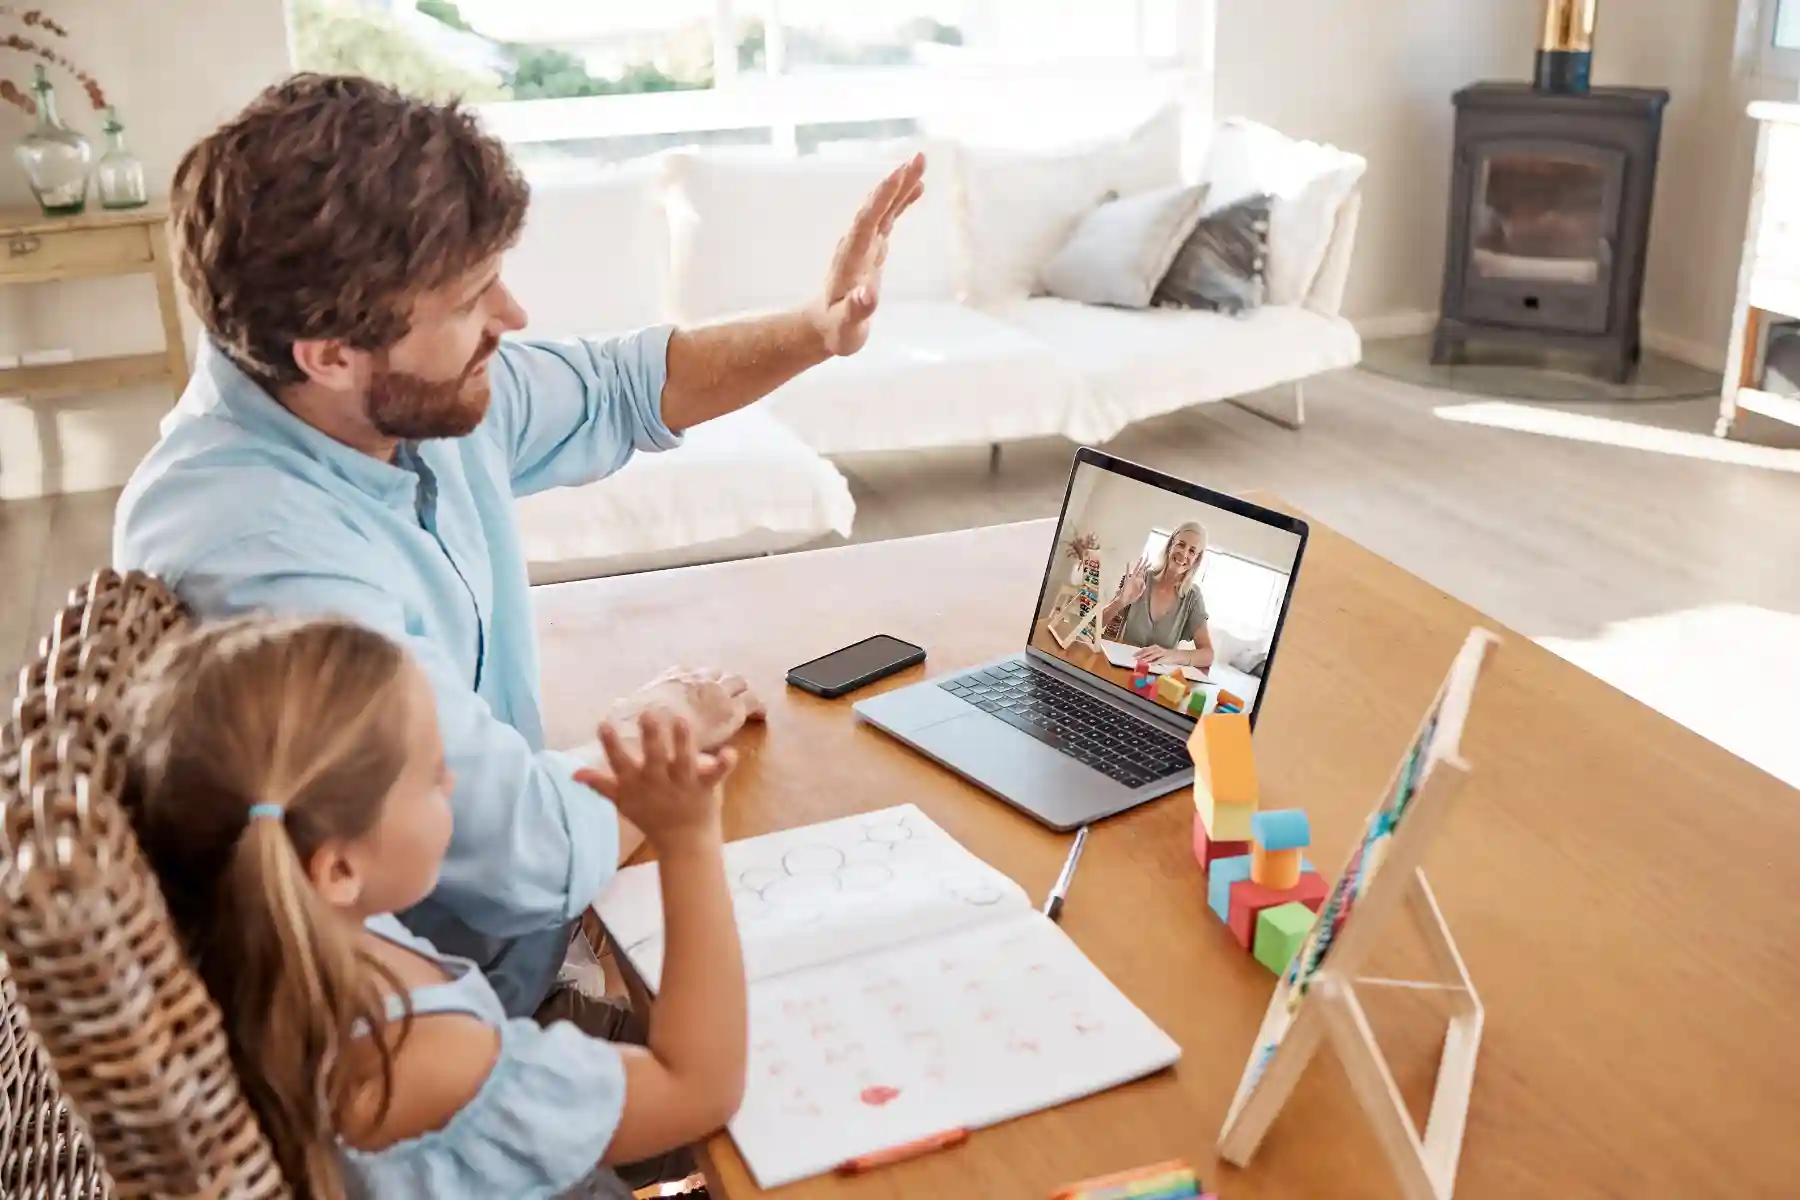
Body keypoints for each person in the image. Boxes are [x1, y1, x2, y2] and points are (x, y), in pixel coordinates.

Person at [113, 73, 925, 1019]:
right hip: (462, 1029)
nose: (513, 316)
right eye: (470, 298)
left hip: (544, 945)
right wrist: (661, 720)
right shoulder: (260, 554)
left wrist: (816, 330)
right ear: (330, 353)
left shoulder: (378, 398)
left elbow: (621, 386)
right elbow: (527, 855)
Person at [122, 614, 746, 1200]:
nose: (451, 783)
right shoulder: (422, 1061)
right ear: (339, 870)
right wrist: (688, 841)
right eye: (430, 774)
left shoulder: (283, 946)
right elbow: (699, 1091)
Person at [1100, 521, 1215, 671]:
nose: (1184, 554)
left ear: (1196, 560)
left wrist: (1171, 655)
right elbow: (1094, 625)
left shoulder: (1193, 597)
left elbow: (1208, 654)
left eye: (1192, 551)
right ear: (1170, 545)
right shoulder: (1141, 579)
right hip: (1123, 667)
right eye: (1181, 545)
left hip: (1158, 678)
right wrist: (1120, 601)